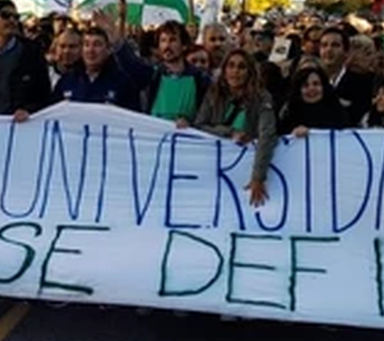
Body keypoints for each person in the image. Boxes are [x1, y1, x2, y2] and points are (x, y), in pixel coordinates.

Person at [194, 50, 276, 207]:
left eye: (241, 67)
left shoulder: (262, 98)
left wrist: (258, 177)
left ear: (250, 72)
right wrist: (229, 132)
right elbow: (199, 126)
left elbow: (267, 135)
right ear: (224, 70)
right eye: (230, 66)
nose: (235, 71)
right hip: (216, 169)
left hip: (247, 168)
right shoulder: (214, 94)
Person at [53, 25, 142, 110]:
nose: (91, 50)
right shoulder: (67, 81)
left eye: (97, 44)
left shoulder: (122, 82)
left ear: (108, 49)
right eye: (87, 44)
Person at [142, 21, 209, 126]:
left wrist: (191, 124)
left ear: (184, 46)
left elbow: (206, 118)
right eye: (163, 40)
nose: (167, 45)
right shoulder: (152, 76)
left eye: (173, 40)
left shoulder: (200, 79)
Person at [317, 26, 370, 126]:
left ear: (346, 52)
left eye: (335, 45)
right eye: (324, 45)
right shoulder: (310, 81)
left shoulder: (361, 83)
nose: (328, 50)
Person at [278, 65, 348, 136]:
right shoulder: (288, 115)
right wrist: (293, 134)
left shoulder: (338, 112)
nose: (311, 89)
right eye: (305, 85)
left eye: (316, 84)